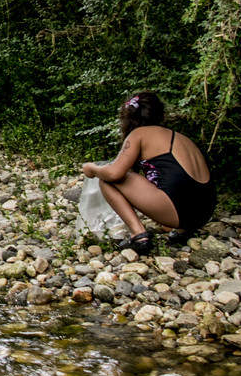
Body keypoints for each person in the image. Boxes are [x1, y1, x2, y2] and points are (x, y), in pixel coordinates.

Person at [81, 91, 216, 255]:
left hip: (179, 211)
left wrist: (92, 169)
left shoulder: (139, 134)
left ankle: (139, 235)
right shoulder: (181, 138)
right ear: (161, 113)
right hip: (204, 212)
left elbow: (115, 173)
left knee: (107, 180)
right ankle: (183, 230)